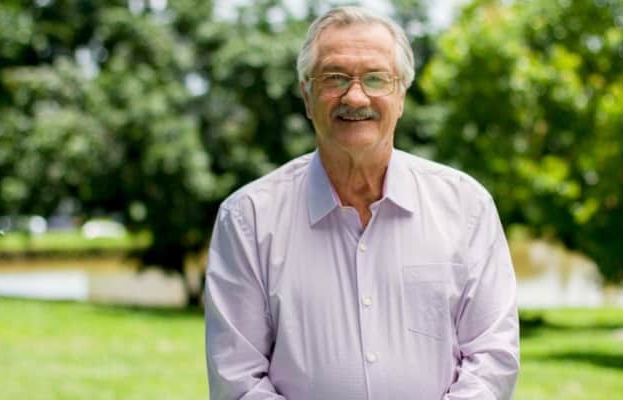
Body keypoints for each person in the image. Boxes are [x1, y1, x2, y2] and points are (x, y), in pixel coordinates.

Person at [204, 6, 519, 400]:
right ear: (307, 95)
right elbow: (238, 379)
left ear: (401, 95)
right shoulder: (248, 218)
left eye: (375, 78)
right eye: (334, 78)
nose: (355, 97)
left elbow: (492, 356)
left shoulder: (466, 206)